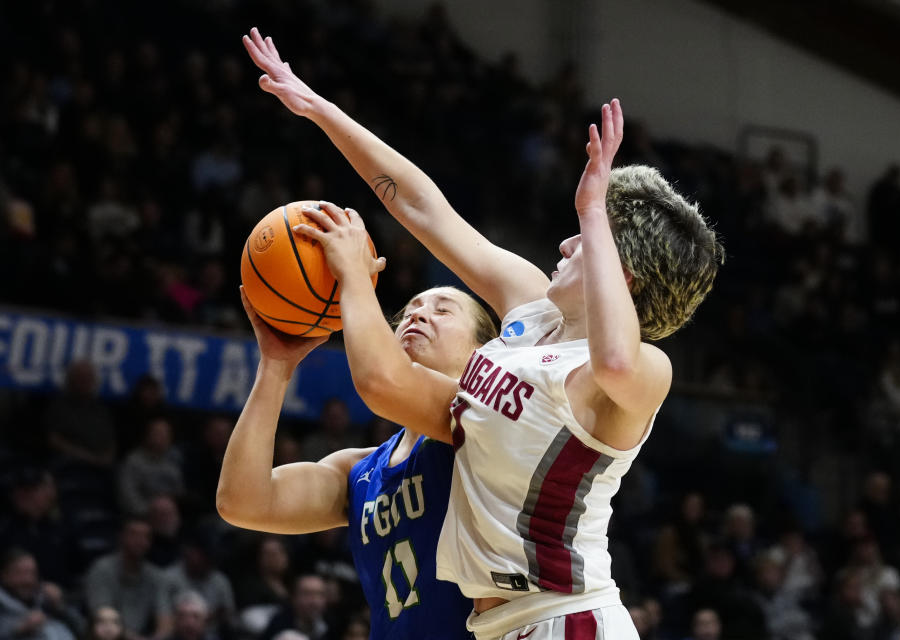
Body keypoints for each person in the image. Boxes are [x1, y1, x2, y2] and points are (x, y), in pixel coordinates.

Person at [243, 25, 722, 640]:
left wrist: (596, 212)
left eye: (584, 241)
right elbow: (423, 207)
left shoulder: (641, 372)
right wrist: (321, 110)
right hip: (495, 627)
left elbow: (616, 361)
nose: (567, 243)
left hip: (569, 620)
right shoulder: (530, 305)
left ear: (620, 273)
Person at [216, 261, 496, 636]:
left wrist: (350, 270)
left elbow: (382, 382)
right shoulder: (359, 469)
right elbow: (241, 502)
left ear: (484, 351)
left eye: (442, 309)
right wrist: (275, 366)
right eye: (410, 309)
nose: (418, 314)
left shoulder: (486, 423)